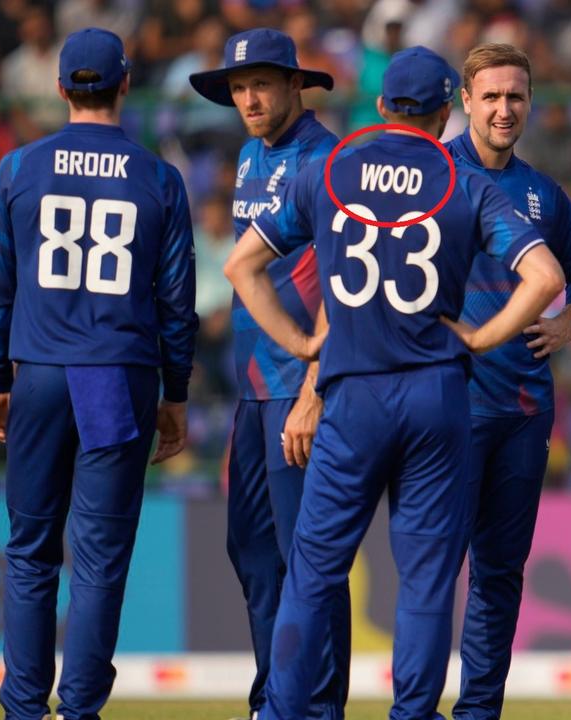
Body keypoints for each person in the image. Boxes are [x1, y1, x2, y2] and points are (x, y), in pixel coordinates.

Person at [223, 45, 565, 720]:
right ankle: (413, 713)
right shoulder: (467, 184)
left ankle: (289, 711)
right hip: (439, 395)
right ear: (447, 112)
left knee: (314, 573)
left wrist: (300, 343)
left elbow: (241, 267)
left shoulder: (330, 170)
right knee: (427, 582)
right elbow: (549, 278)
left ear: (381, 106)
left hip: (353, 392)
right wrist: (481, 336)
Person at [0, 27, 197, 719]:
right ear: (125, 84)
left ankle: (20, 709)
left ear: (60, 85)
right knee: (100, 560)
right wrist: (179, 391)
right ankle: (79, 711)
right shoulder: (159, 177)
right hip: (116, 376)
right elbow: (176, 301)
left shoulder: (17, 169)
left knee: (31, 549)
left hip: (39, 370)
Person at [188, 27, 349, 720]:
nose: (249, 98)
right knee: (253, 552)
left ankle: (316, 707)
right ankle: (274, 702)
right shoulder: (252, 155)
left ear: (294, 85)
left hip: (298, 389)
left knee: (308, 560)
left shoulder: (330, 162)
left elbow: (348, 288)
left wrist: (315, 388)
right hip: (252, 392)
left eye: (261, 83)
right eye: (238, 87)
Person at [444, 42, 571, 720]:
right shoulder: (434, 177)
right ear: (465, 100)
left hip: (525, 410)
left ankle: (478, 712)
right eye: (491, 96)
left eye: (515, 97)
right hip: (448, 409)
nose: (504, 109)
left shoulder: (543, 195)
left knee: (498, 575)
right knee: (433, 573)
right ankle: (416, 704)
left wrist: (570, 324)